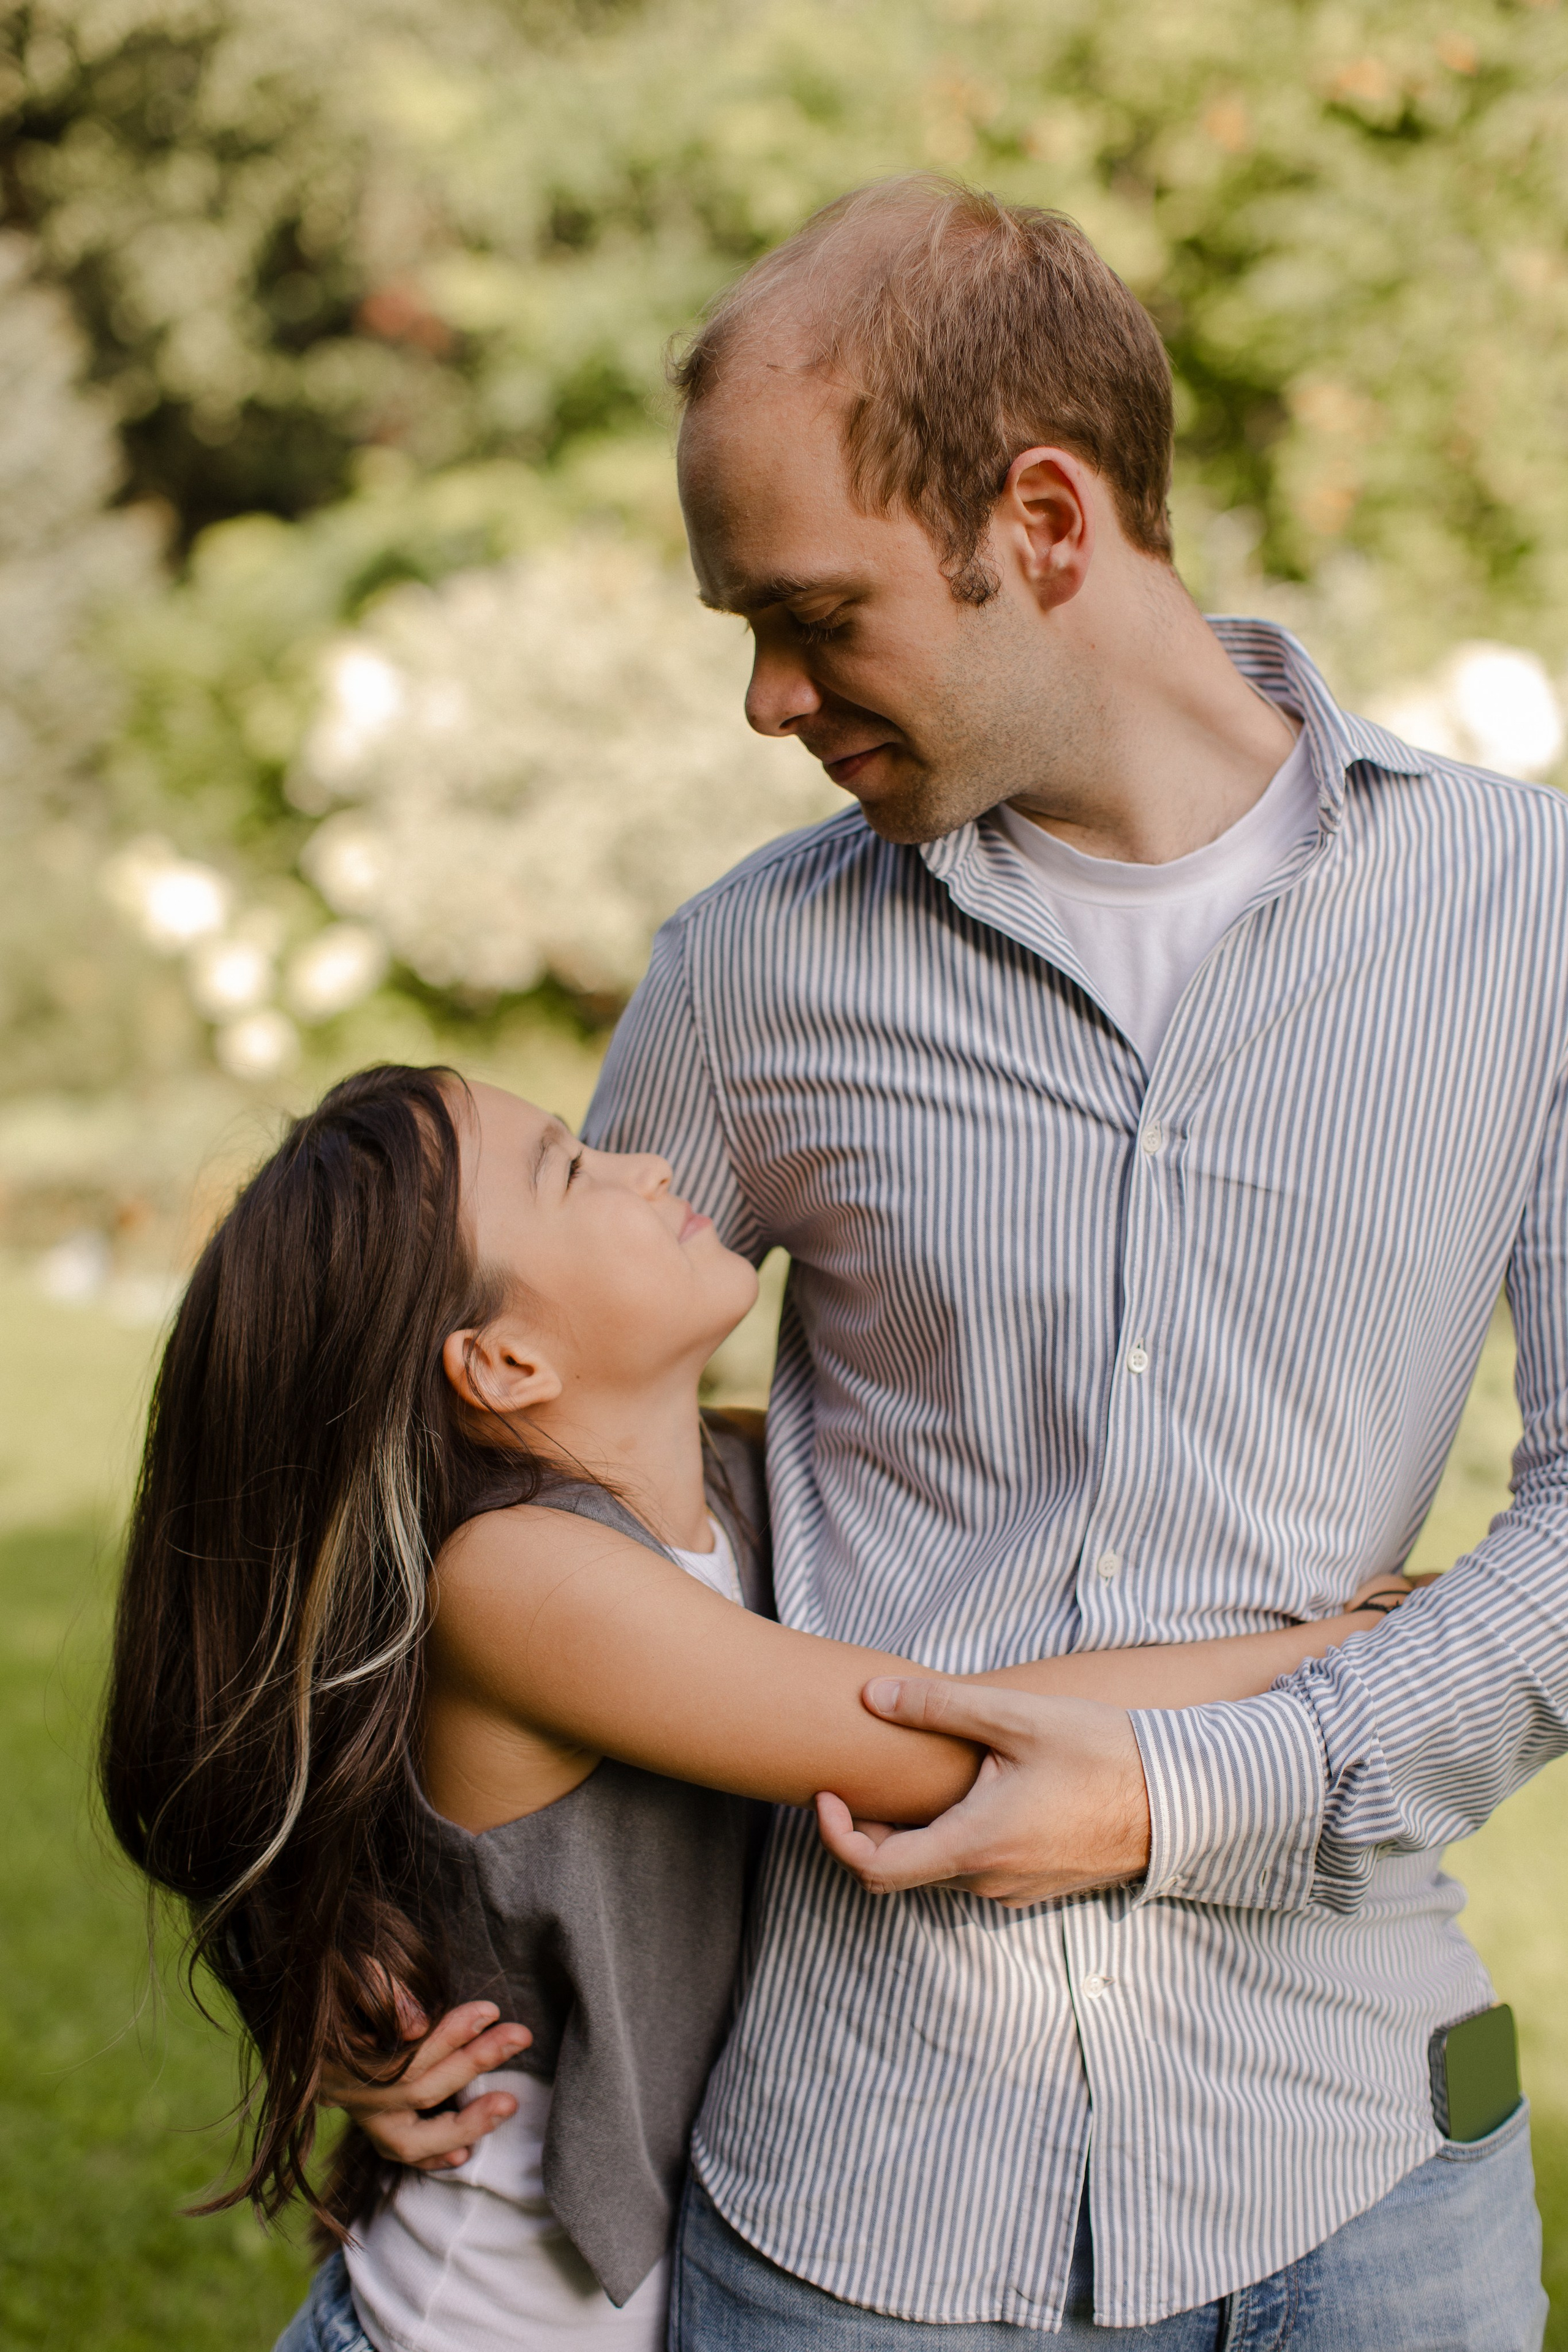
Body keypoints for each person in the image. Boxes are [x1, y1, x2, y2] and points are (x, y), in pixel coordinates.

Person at [339, 176, 1564, 2345]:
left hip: (1366, 2177)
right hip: (858, 2213)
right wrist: (375, 1912)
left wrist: (1200, 1789)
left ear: (1051, 522)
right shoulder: (756, 968)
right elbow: (490, 1445)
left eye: (813, 614)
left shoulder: (1527, 917)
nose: (767, 697)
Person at [100, 1062, 1407, 2352]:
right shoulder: (516, 1581)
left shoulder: (732, 1488)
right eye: (570, 1167)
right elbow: (951, 1739)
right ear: (501, 1362)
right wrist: (1336, 1652)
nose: (649, 1162)